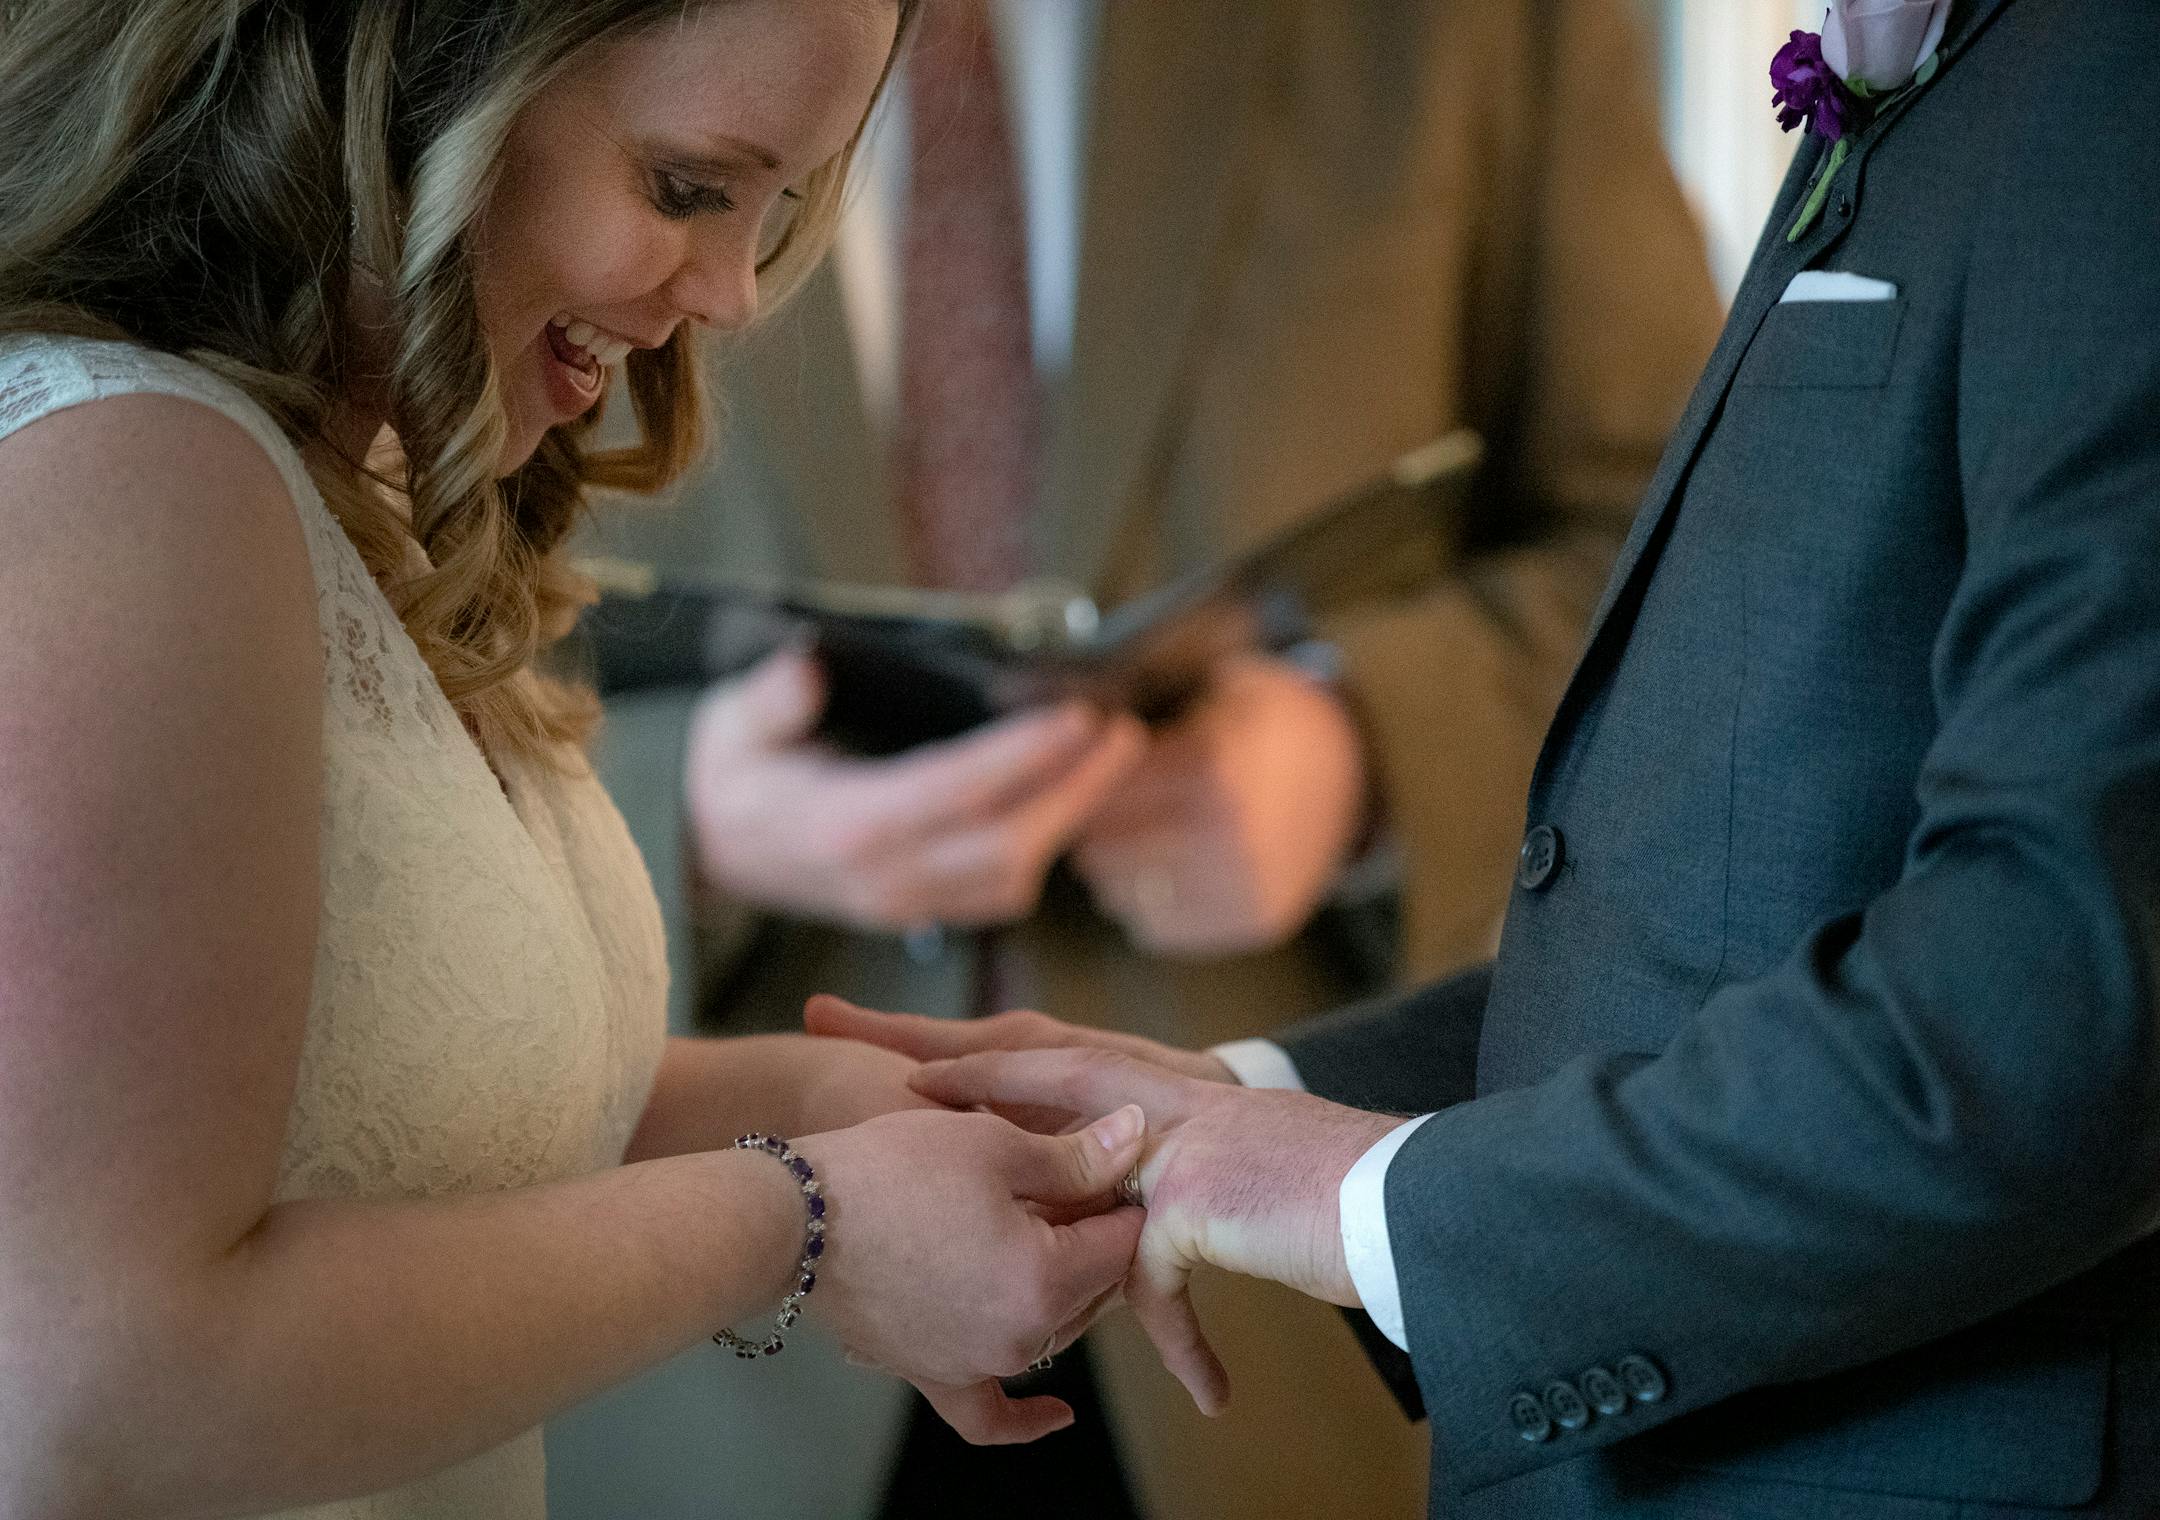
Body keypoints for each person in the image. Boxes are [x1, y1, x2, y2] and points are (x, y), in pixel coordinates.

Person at [817, 0, 2160, 1515]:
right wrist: (1244, 1103)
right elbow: (1744, 897)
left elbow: (2060, 1000)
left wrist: (1357, 1192)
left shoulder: (2108, 75)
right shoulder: (1938, 67)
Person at [566, 1, 1721, 1514]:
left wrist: (1364, 751)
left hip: (1278, 1313)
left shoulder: (1480, 29)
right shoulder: (523, 43)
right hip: (688, 1349)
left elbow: (1690, 529)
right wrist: (675, 820)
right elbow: (385, 587)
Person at [0, 4, 1154, 1518]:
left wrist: (811, 1099)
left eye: (780, 209)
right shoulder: (132, 483)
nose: (738, 294)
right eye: (687, 189)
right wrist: (794, 1220)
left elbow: (367, 1104)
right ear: (419, 62)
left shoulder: (360, 471)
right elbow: (93, 1387)